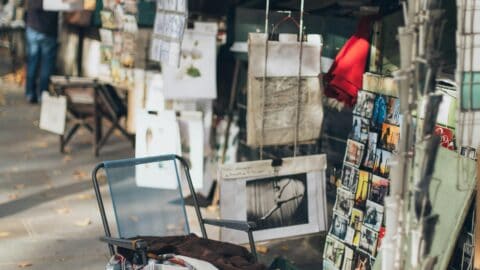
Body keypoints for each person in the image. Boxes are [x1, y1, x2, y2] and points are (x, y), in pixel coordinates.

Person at [25, 0, 58, 104]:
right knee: (46, 66)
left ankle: (30, 93)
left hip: (34, 28)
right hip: (48, 30)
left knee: (33, 62)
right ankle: (42, 94)